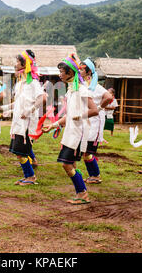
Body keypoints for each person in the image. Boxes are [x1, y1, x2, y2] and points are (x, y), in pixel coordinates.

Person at [43, 54, 98, 204]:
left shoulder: (82, 90)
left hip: (78, 134)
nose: (60, 74)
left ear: (71, 72)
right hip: (70, 132)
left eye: (62, 71)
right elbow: (69, 115)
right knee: (70, 164)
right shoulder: (71, 90)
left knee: (66, 163)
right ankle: (81, 192)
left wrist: (80, 116)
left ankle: (83, 193)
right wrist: (54, 125)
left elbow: (94, 110)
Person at [6, 50, 45, 185]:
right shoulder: (20, 84)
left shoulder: (33, 83)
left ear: (24, 64)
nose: (15, 64)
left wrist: (30, 110)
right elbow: (18, 103)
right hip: (18, 122)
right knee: (19, 152)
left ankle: (31, 177)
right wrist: (4, 108)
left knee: (21, 152)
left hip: (27, 124)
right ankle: (28, 176)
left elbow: (42, 98)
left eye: (17, 61)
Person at [79, 58, 113, 184]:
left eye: (82, 69)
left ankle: (95, 175)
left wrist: (99, 108)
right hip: (87, 121)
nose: (80, 70)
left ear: (88, 72)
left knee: (88, 151)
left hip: (95, 121)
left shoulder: (96, 87)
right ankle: (93, 175)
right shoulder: (84, 86)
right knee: (85, 151)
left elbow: (108, 97)